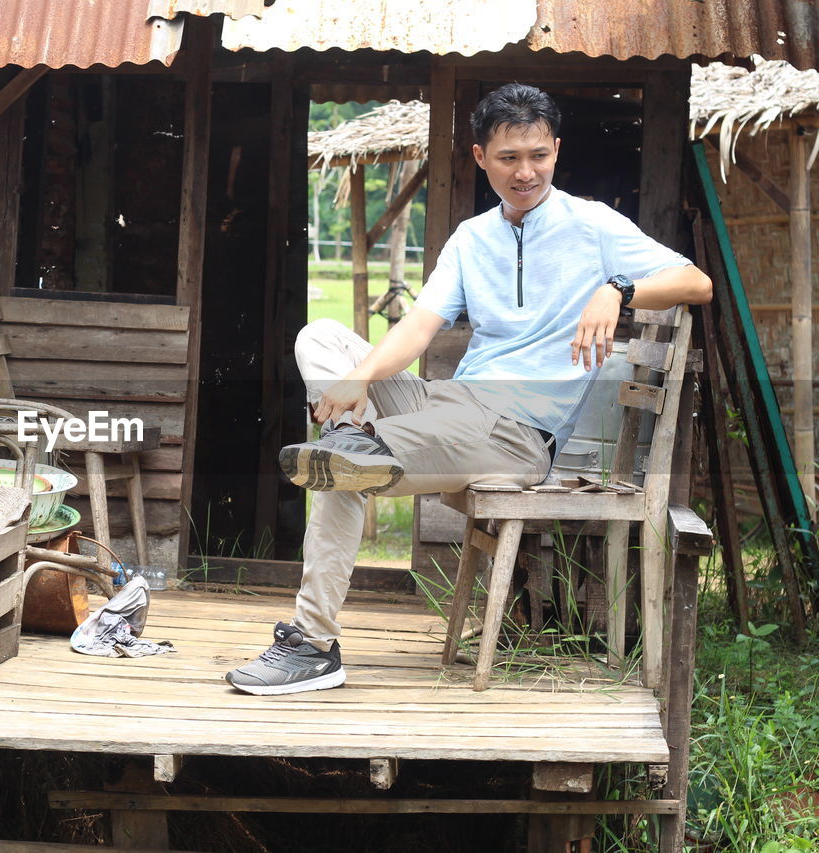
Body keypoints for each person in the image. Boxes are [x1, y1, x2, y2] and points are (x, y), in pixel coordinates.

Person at [225, 83, 713, 696]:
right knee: (321, 338)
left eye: (538, 155)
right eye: (509, 158)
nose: (525, 172)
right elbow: (419, 327)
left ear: (556, 151)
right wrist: (360, 380)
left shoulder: (592, 226)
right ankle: (354, 443)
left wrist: (619, 289)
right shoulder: (469, 238)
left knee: (338, 464)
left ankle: (314, 640)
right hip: (447, 404)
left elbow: (697, 283)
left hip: (515, 436)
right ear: (482, 159)